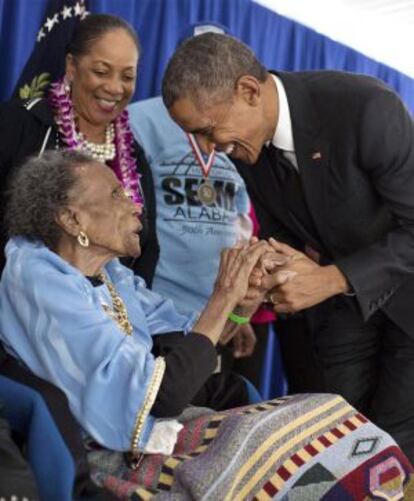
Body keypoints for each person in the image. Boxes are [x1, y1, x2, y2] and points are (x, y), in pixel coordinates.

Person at [1, 150, 412, 499]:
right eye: (115, 194)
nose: (134, 203)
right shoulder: (39, 277)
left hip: (157, 424)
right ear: (72, 220)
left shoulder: (114, 277)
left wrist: (241, 303)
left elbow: (192, 347)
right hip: (107, 447)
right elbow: (161, 395)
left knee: (329, 414)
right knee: (290, 452)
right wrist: (223, 296)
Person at [161, 32, 414, 464]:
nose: (208, 149)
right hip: (340, 315)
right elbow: (289, 237)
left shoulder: (366, 108)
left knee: (393, 451)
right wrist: (267, 270)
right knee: (335, 442)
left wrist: (332, 278)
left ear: (248, 90)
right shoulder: (247, 147)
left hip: (407, 304)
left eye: (206, 131)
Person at [128, 20, 269, 385]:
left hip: (215, 313)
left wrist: (238, 314)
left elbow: (240, 226)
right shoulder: (140, 120)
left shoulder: (241, 127)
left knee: (208, 426)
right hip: (158, 313)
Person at [0, 14, 158, 286]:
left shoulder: (134, 156)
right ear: (71, 67)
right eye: (101, 71)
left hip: (102, 319)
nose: (114, 87)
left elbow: (146, 250)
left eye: (127, 76)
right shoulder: (19, 124)